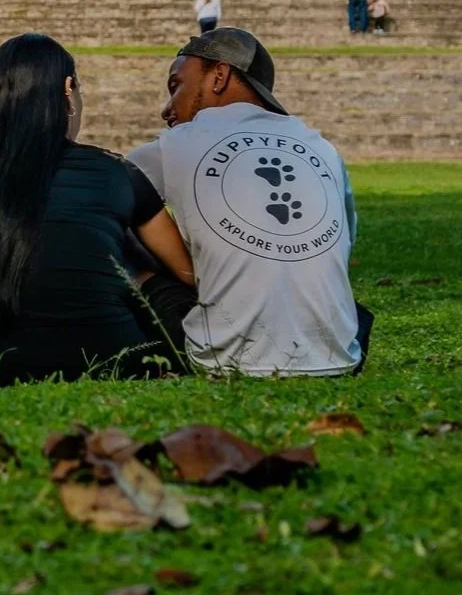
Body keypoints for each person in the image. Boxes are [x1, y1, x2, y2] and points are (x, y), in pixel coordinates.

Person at [0, 33, 195, 386]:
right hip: (118, 359)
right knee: (135, 253)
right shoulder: (114, 170)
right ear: (68, 89)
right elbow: (186, 273)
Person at [128, 28, 371, 377]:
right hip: (341, 355)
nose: (167, 109)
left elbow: (98, 198)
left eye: (175, 86)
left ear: (220, 75)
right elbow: (343, 245)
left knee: (118, 226)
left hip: (225, 360)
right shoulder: (323, 148)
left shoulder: (173, 146)